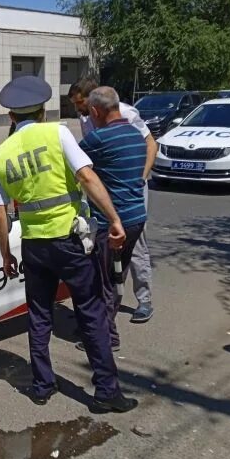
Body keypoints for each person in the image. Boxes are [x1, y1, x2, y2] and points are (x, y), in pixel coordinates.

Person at [0, 75, 138, 414]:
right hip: (70, 242)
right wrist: (114, 219)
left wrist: (5, 254)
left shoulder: (0, 154)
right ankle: (106, 392)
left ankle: (42, 385)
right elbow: (86, 176)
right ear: (42, 111)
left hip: (33, 246)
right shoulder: (56, 133)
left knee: (39, 314)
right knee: (91, 312)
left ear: (11, 117)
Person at [69, 78, 157, 323]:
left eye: (80, 103)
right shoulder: (88, 116)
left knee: (133, 246)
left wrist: (140, 177)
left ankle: (143, 300)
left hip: (130, 188)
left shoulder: (125, 113)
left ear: (92, 101)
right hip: (107, 189)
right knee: (112, 259)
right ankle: (109, 316)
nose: (79, 110)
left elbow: (150, 143)